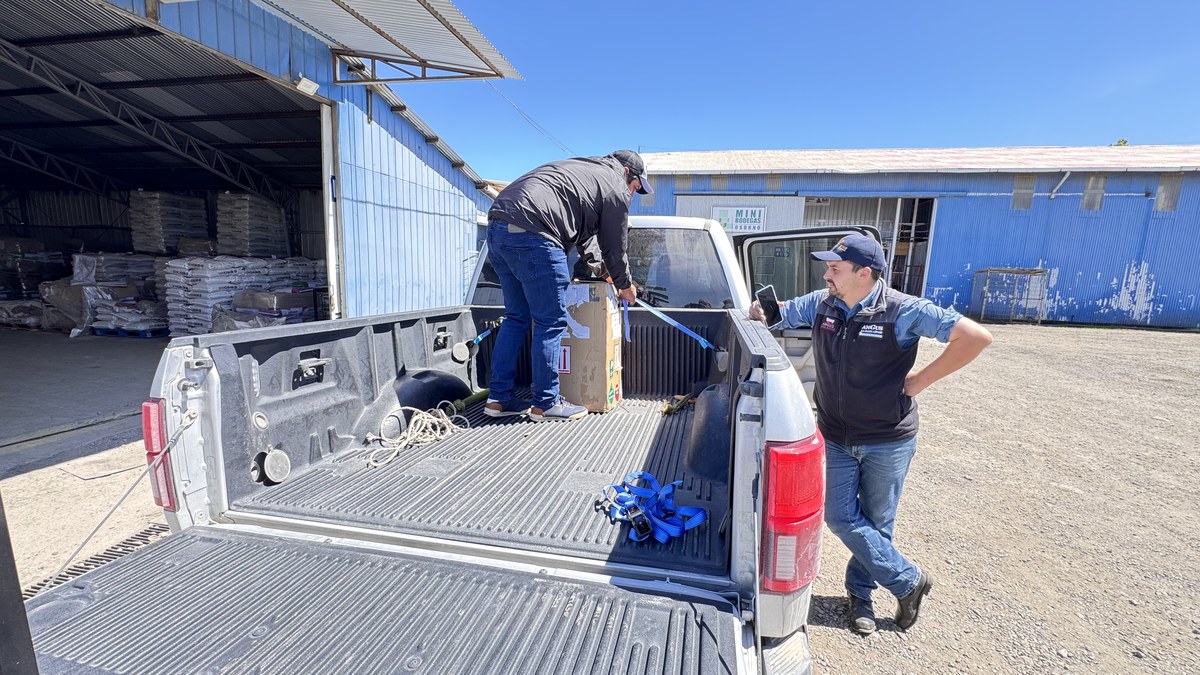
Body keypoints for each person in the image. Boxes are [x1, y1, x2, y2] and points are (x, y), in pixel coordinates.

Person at [750, 234, 993, 634]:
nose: (826, 275)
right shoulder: (822, 303)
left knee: (877, 522)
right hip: (835, 435)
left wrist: (920, 381)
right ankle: (909, 581)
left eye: (834, 268)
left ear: (864, 273)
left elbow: (975, 337)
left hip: (888, 439)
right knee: (840, 516)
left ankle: (860, 596)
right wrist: (760, 312)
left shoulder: (903, 310)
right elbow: (780, 316)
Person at [483, 150, 648, 422]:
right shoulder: (615, 187)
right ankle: (546, 402)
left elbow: (587, 240)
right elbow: (615, 248)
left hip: (497, 228)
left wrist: (606, 273)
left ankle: (499, 398)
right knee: (551, 321)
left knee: (516, 317)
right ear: (627, 173)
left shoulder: (584, 174)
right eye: (635, 187)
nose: (633, 194)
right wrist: (625, 285)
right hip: (535, 234)